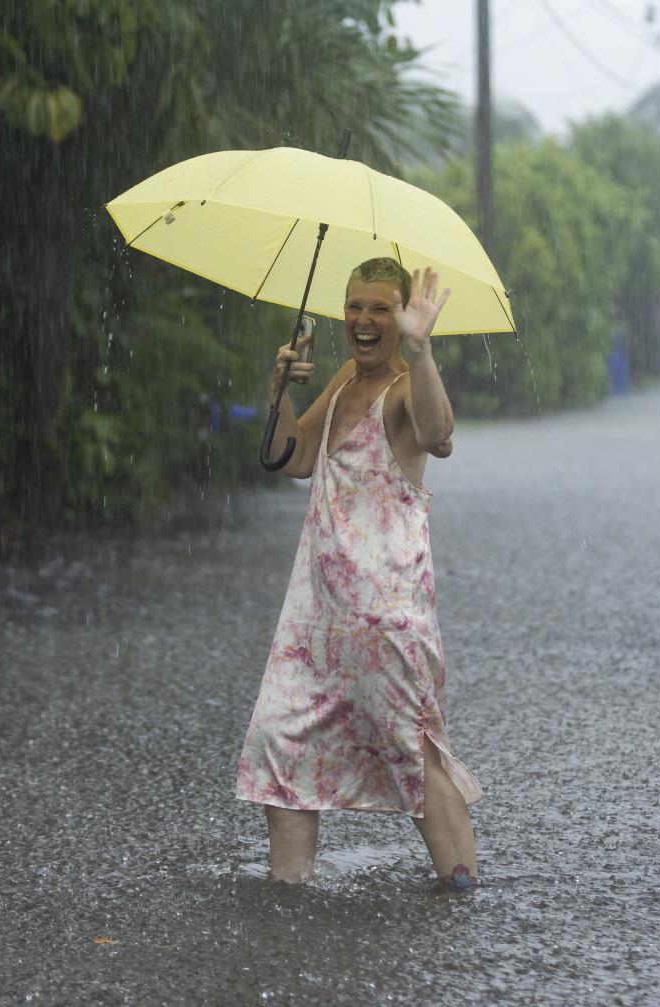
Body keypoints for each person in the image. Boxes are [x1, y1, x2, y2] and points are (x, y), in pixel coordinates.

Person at [236, 257, 483, 888]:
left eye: (381, 308)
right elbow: (290, 457)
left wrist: (423, 352)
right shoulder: (347, 379)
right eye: (354, 306)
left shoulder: (404, 388)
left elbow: (441, 434)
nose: (364, 320)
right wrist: (278, 391)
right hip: (314, 614)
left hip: (383, 614)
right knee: (278, 738)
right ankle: (288, 894)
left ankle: (463, 889)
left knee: (412, 750)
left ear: (401, 317)